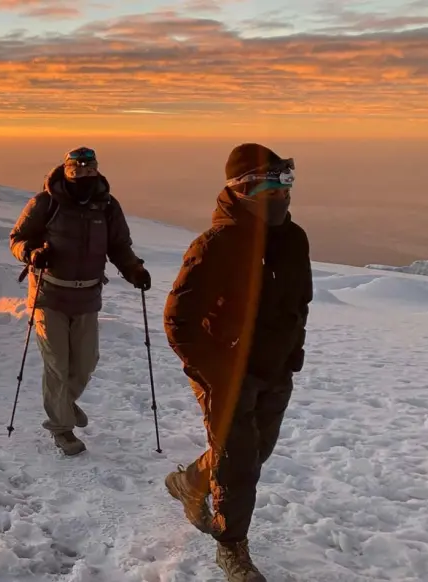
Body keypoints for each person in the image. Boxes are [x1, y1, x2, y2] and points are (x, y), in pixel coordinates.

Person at [163, 143, 312, 582]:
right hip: (226, 373)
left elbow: (297, 302)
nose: (283, 196)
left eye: (287, 185)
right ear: (244, 189)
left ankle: (190, 481)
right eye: (273, 186)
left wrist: (292, 352)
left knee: (254, 452)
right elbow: (179, 320)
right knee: (239, 462)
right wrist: (215, 371)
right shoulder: (217, 243)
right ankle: (231, 549)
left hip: (275, 368)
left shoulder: (293, 238)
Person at [8, 147, 150, 456]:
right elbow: (17, 239)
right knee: (58, 365)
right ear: (67, 172)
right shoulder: (46, 203)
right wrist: (32, 254)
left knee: (85, 363)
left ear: (97, 171)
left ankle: (65, 405)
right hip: (49, 295)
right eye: (78, 172)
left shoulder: (107, 207)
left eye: (90, 171)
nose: (84, 177)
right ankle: (61, 428)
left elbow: (119, 245)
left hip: (87, 296)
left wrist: (134, 269)